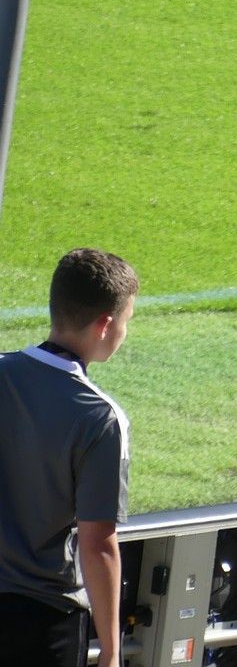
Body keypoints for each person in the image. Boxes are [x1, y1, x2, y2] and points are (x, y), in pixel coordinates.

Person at [0, 249, 138, 667]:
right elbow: (98, 544)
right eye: (127, 322)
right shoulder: (99, 416)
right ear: (105, 325)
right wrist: (112, 653)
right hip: (43, 623)